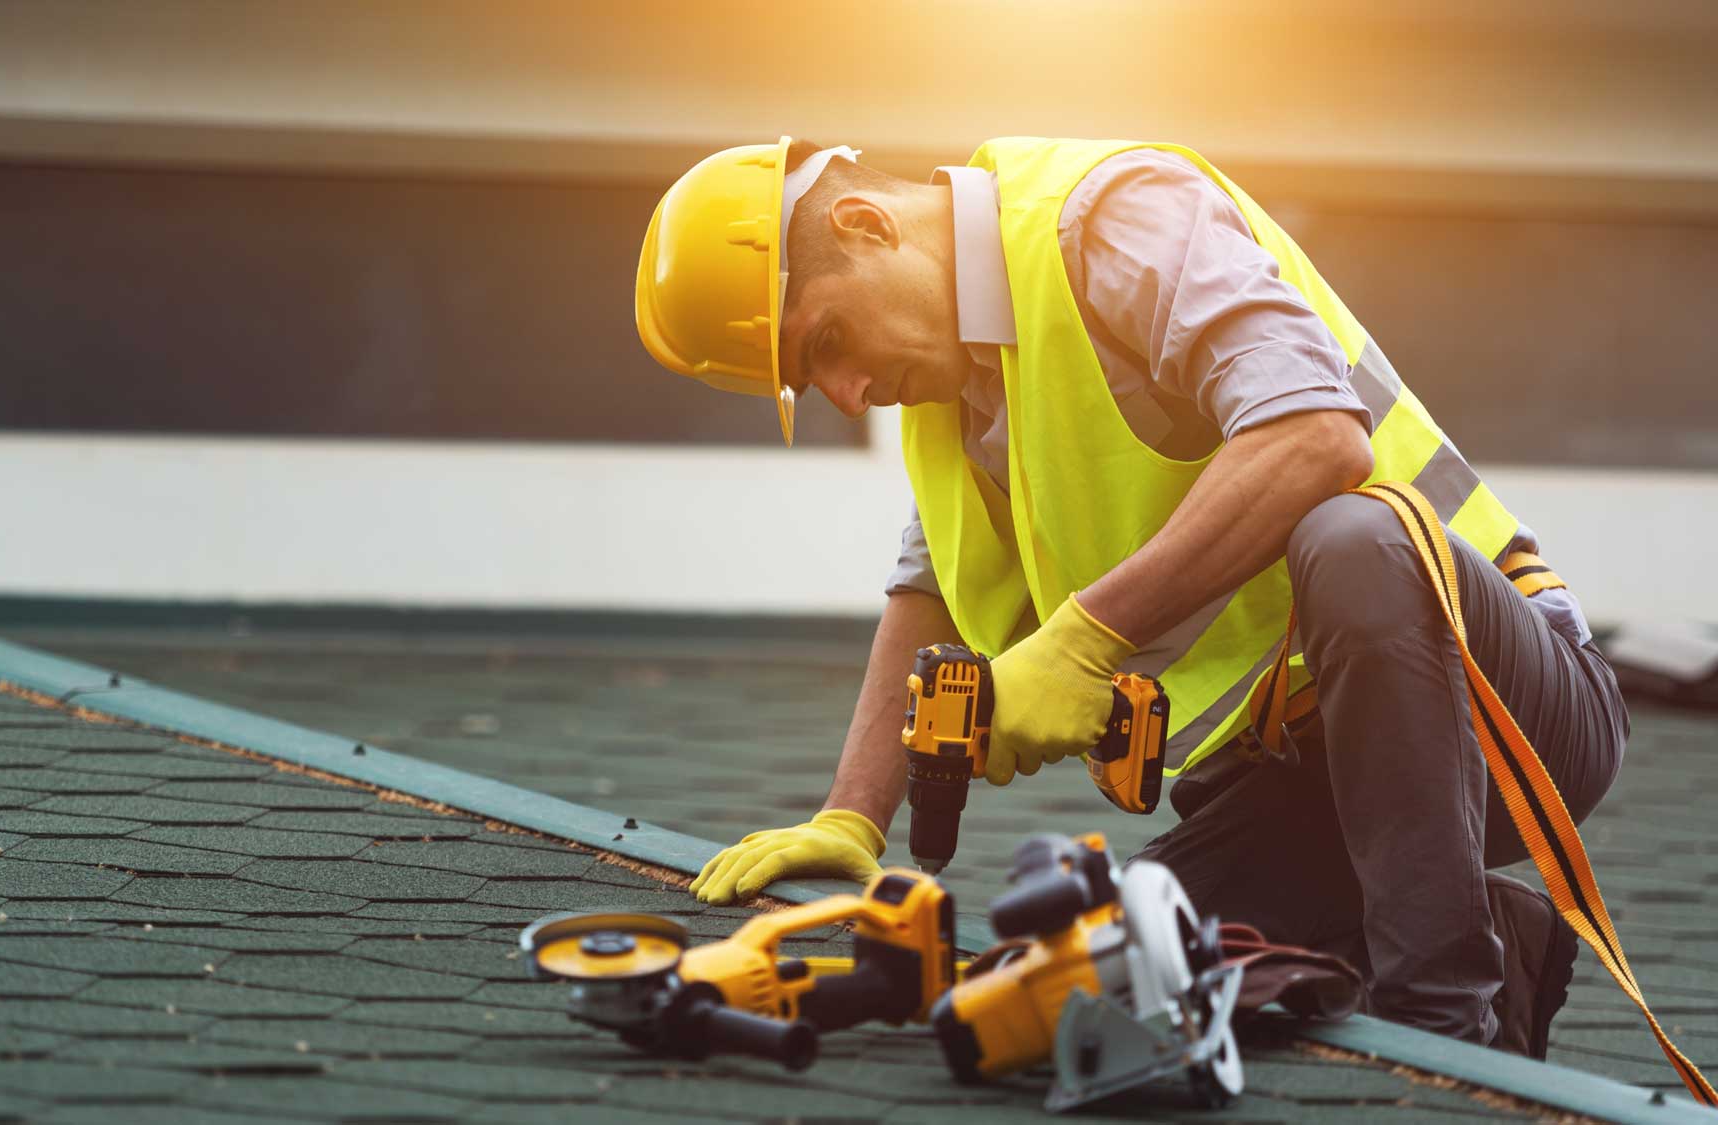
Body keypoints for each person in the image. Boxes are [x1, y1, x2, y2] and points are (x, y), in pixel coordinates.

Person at [631, 136, 1628, 1057]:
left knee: (1353, 532)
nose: (846, 394)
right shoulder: (953, 392)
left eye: (827, 342)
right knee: (1070, 995)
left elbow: (1317, 436)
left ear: (865, 223)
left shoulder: (1108, 218)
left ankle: (1443, 1032)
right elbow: (929, 581)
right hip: (1299, 781)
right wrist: (851, 818)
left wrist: (1079, 642)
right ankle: (1498, 935)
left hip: (1498, 713)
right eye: (814, 385)